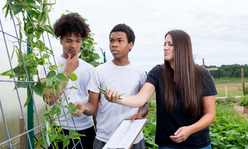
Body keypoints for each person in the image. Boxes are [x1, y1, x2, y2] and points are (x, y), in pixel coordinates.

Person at [105, 30, 217, 149]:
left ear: (183, 47)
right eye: (164, 44)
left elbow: (210, 114)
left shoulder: (203, 75)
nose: (165, 48)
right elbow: (140, 99)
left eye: (170, 44)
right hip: (167, 144)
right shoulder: (157, 73)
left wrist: (190, 130)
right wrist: (117, 99)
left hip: (198, 144)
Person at [74, 23, 148, 149]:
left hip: (133, 138)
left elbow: (144, 105)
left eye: (120, 41)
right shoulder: (99, 71)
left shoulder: (140, 74)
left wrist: (141, 114)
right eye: (111, 41)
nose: (114, 44)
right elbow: (92, 105)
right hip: (105, 138)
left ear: (131, 44)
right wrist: (84, 107)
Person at [39, 13, 95, 149]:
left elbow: (93, 105)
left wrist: (84, 107)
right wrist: (67, 71)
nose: (73, 45)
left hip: (86, 130)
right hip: (60, 129)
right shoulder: (48, 65)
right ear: (61, 40)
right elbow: (49, 99)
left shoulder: (90, 69)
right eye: (69, 40)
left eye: (78, 40)